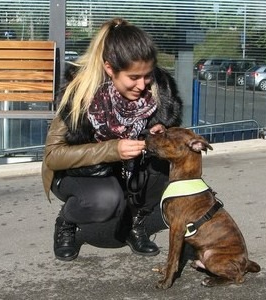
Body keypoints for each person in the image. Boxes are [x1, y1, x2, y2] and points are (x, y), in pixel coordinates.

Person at [42, 18, 183, 261]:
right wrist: (112, 149)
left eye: (147, 75)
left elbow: (164, 130)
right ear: (110, 69)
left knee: (162, 162)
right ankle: (67, 220)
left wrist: (160, 132)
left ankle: (133, 224)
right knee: (105, 200)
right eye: (133, 77)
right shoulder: (81, 93)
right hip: (79, 174)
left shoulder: (158, 88)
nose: (142, 84)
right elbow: (53, 157)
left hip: (125, 170)